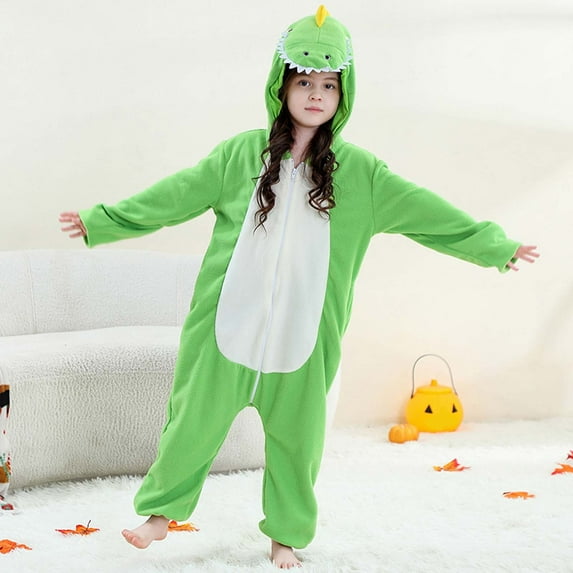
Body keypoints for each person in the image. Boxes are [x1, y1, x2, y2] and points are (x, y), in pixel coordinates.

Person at [59, 5, 539, 569]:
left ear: (343, 95)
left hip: (306, 337)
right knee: (191, 422)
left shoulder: (363, 174)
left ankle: (284, 536)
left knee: (297, 443)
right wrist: (103, 221)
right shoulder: (241, 154)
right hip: (224, 325)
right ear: (281, 86)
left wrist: (495, 247)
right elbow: (173, 196)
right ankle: (161, 516)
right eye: (305, 82)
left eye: (329, 85)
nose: (316, 94)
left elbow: (431, 215)